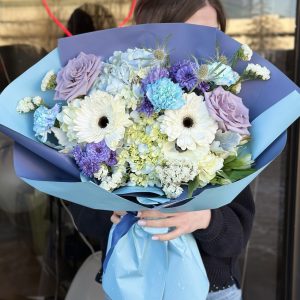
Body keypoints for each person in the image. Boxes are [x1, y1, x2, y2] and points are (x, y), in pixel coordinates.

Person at [111, 1, 255, 300]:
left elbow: (237, 237)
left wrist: (205, 220)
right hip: (131, 283)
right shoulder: (115, 104)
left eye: (214, 34)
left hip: (212, 290)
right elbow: (80, 208)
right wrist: (110, 210)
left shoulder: (225, 114)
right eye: (193, 32)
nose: (207, 44)